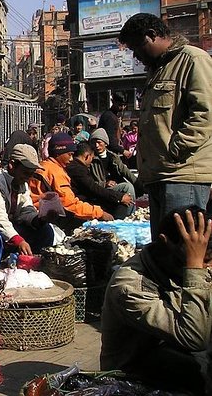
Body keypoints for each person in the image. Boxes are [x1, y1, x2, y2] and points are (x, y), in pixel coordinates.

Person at [119, 13, 212, 238]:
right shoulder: (158, 70)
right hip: (160, 175)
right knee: (163, 251)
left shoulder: (193, 60)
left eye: (137, 48)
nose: (136, 56)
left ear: (152, 36)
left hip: (182, 175)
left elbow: (205, 113)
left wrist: (175, 150)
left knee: (182, 250)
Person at [100, 206, 212, 394]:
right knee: (199, 365)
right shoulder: (129, 285)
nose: (206, 268)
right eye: (199, 261)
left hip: (173, 356)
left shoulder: (181, 266)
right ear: (164, 243)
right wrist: (194, 268)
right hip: (133, 377)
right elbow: (194, 337)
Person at [29, 133, 113, 233]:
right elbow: (69, 203)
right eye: (70, 154)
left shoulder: (44, 165)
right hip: (45, 218)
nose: (71, 159)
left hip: (34, 213)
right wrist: (99, 213)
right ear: (58, 152)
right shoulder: (55, 172)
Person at [67, 142, 133, 220]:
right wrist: (119, 198)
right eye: (92, 157)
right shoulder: (78, 169)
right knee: (122, 202)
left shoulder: (78, 167)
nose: (91, 161)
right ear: (87, 156)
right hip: (85, 202)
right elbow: (93, 188)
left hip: (91, 196)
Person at [87, 128, 140, 219]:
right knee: (127, 187)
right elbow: (88, 181)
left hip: (115, 186)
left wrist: (139, 185)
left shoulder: (113, 157)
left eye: (99, 142)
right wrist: (104, 183)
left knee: (131, 187)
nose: (96, 145)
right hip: (101, 189)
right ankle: (127, 216)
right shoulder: (90, 159)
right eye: (94, 143)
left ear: (105, 143)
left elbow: (126, 172)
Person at [98, 92, 130, 158]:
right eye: (120, 105)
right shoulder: (109, 117)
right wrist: (123, 151)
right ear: (113, 102)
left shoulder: (113, 116)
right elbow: (110, 141)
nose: (122, 107)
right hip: (108, 153)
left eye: (124, 105)